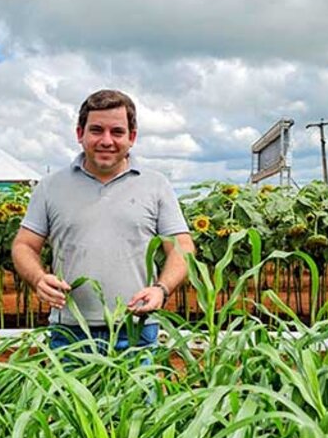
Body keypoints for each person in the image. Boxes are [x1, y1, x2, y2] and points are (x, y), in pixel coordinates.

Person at [12, 89, 195, 352]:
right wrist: (39, 278)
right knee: (68, 396)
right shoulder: (50, 187)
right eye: (96, 130)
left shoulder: (156, 185)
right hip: (70, 331)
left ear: (132, 137)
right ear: (80, 134)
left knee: (138, 395)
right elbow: (24, 246)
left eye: (117, 132)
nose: (106, 140)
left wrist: (161, 290)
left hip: (136, 329)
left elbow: (183, 246)